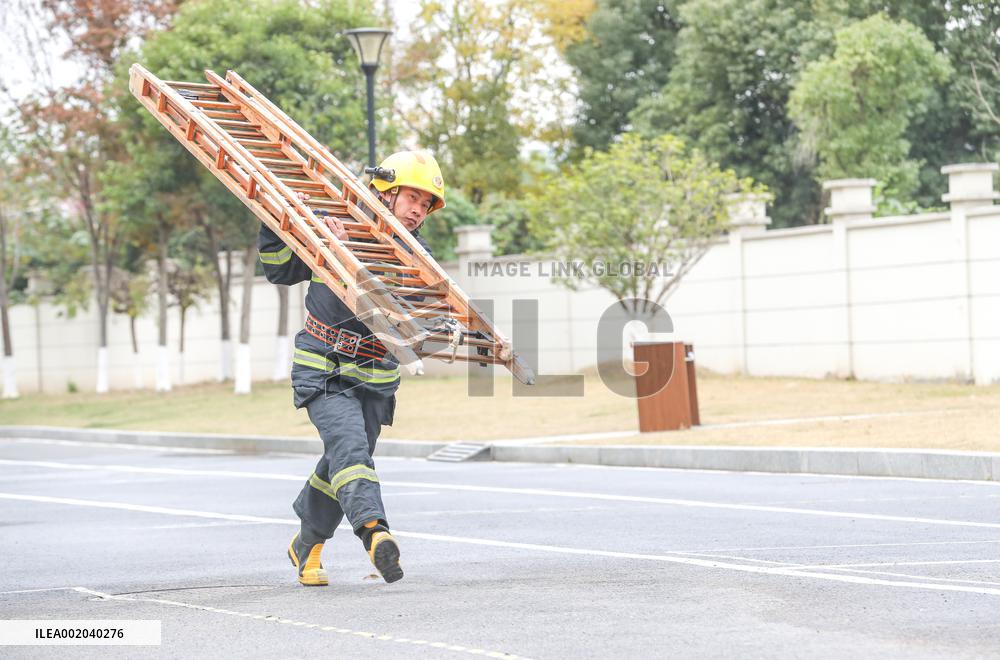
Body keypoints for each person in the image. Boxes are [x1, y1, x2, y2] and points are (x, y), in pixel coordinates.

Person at [257, 150, 446, 586]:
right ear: (387, 190)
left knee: (341, 463)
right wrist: (307, 237)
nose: (418, 210)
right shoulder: (332, 222)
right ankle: (375, 532)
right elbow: (277, 270)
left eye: (426, 204)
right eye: (412, 198)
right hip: (323, 365)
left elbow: (424, 315)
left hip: (377, 377)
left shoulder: (417, 256)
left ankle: (306, 544)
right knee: (351, 452)